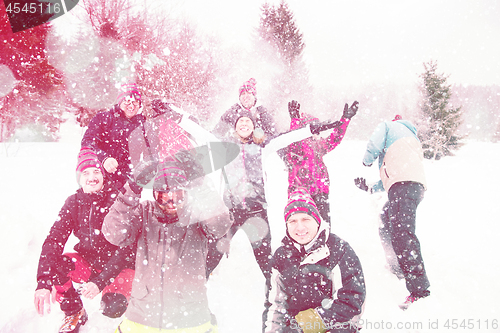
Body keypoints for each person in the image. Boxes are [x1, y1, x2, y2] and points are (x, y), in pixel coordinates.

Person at [102, 158, 232, 332]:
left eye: (176, 196)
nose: (170, 203)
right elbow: (113, 233)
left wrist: (202, 185)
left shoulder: (197, 214)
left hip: (190, 319)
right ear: (155, 194)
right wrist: (131, 189)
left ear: (186, 192)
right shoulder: (144, 212)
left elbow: (220, 226)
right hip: (142, 316)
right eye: (163, 196)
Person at [34, 147, 135, 333]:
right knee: (58, 264)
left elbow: (127, 249)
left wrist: (102, 281)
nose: (92, 177)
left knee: (113, 308)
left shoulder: (117, 200)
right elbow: (54, 240)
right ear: (79, 178)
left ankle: (135, 303)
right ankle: (74, 312)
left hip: (119, 267)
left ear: (104, 176)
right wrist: (43, 282)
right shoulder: (73, 202)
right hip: (90, 264)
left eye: (97, 171)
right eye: (85, 172)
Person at [354, 114, 430, 309]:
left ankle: (419, 290)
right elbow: (393, 176)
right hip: (410, 187)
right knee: (385, 221)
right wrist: (369, 188)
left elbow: (374, 142)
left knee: (402, 234)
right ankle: (396, 267)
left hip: (404, 186)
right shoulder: (409, 144)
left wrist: (367, 160)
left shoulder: (388, 126)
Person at [264, 188, 366, 333]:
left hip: (336, 326)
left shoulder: (338, 250)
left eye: (306, 219)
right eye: (292, 221)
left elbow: (352, 302)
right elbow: (275, 306)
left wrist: (306, 323)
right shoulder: (281, 256)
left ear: (317, 221)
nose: (300, 227)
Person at [280, 100, 358, 224]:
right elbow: (294, 141)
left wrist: (345, 119)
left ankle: (323, 241)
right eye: (314, 129)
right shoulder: (295, 146)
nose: (318, 132)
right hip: (300, 193)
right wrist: (295, 121)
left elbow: (335, 138)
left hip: (320, 192)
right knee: (303, 228)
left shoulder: (318, 145)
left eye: (318, 129)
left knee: (323, 227)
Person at [81, 82, 146, 189]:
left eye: (135, 102)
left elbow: (156, 149)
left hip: (128, 186)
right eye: (127, 101)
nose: (131, 106)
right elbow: (87, 143)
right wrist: (104, 159)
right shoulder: (103, 118)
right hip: (100, 181)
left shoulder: (142, 125)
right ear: (120, 102)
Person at [212, 78, 278, 141]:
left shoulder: (263, 114)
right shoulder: (232, 113)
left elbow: (273, 137)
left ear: (254, 97)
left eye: (249, 93)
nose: (246, 96)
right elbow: (216, 134)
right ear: (239, 98)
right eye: (243, 93)